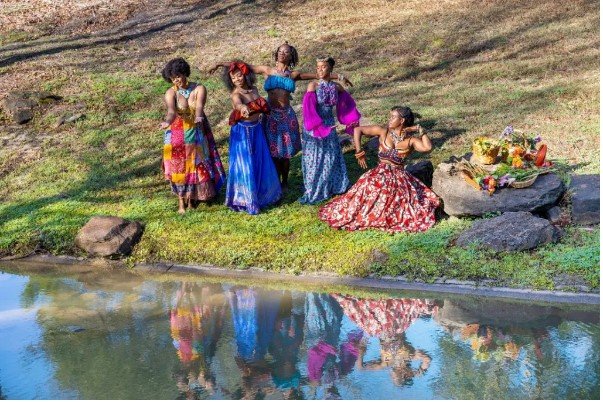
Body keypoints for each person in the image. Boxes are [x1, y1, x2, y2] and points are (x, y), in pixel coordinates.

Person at [209, 42, 353, 190]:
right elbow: (243, 65)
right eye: (280, 51)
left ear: (291, 56)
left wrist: (340, 76)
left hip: (287, 115)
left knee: (285, 152)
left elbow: (319, 75)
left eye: (286, 52)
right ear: (276, 53)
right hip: (270, 114)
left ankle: (285, 181)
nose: (282, 54)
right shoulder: (267, 70)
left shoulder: (293, 75)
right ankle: (274, 180)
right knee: (272, 151)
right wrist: (220, 64)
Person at [318, 106, 440, 233]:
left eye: (393, 117)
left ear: (402, 120)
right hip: (378, 174)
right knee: (366, 191)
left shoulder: (411, 140)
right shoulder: (383, 132)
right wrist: (359, 152)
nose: (389, 119)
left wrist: (421, 130)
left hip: (399, 178)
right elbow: (358, 130)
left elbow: (427, 148)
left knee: (403, 203)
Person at [160, 58, 226, 214]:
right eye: (173, 77)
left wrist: (198, 117)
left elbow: (199, 107)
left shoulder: (199, 88)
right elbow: (171, 112)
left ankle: (193, 198)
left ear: (185, 73)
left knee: (195, 164)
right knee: (177, 166)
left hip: (195, 129)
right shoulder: (171, 92)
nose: (177, 80)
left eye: (179, 75)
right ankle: (181, 202)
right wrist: (166, 122)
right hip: (176, 133)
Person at [221, 61, 282, 214]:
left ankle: (264, 195)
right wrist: (242, 108)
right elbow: (237, 104)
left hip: (257, 129)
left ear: (245, 75)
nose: (237, 79)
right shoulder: (236, 94)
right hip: (243, 132)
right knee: (245, 163)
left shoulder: (254, 89)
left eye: (239, 76)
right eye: (233, 78)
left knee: (260, 161)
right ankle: (247, 199)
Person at [299, 57, 361, 204]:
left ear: (330, 69)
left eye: (324, 67)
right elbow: (309, 110)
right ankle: (315, 190)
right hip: (315, 126)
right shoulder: (312, 86)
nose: (320, 70)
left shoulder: (336, 87)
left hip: (330, 124)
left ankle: (333, 186)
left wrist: (350, 121)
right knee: (316, 159)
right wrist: (318, 126)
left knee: (331, 157)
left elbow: (347, 105)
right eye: (318, 67)